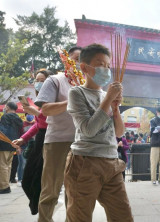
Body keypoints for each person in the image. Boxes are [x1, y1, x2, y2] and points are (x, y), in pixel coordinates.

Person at [65, 43, 133, 221]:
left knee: (123, 215)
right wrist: (109, 99)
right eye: (100, 64)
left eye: (108, 66)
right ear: (84, 67)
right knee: (79, 216)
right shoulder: (76, 93)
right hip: (84, 161)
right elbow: (88, 130)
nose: (106, 69)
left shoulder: (107, 95)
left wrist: (116, 109)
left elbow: (119, 132)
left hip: (111, 161)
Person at [34, 46, 82, 221]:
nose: (78, 63)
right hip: (58, 141)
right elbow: (45, 109)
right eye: (76, 58)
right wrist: (71, 100)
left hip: (81, 143)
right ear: (66, 59)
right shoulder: (55, 80)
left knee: (75, 191)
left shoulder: (86, 84)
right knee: (51, 189)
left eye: (82, 60)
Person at [12, 69, 51, 214]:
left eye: (43, 81)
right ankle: (38, 207)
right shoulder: (38, 99)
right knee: (27, 179)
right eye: (37, 80)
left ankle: (43, 210)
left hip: (51, 139)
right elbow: (37, 124)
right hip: (39, 139)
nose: (39, 83)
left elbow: (51, 121)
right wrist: (23, 138)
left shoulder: (53, 98)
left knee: (38, 179)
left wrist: (36, 112)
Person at [0, 102, 23, 194]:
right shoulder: (18, 118)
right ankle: (6, 184)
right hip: (14, 144)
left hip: (4, 143)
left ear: (8, 107)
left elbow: (3, 131)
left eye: (5, 107)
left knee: (2, 166)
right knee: (8, 165)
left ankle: (4, 187)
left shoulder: (5, 117)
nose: (4, 108)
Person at [16, 114, 35, 187]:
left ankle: (29, 179)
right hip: (23, 146)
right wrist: (18, 147)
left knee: (31, 163)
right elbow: (18, 136)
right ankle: (20, 179)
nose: (30, 115)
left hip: (32, 146)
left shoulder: (35, 124)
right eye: (27, 114)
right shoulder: (22, 124)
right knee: (22, 163)